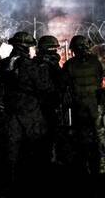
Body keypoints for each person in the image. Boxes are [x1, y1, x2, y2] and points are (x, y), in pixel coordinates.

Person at [0, 31, 54, 183]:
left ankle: (10, 178)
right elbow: (44, 87)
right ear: (26, 47)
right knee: (34, 145)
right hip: (29, 110)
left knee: (12, 145)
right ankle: (32, 178)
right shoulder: (29, 65)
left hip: (10, 108)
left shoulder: (4, 63)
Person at [62, 35, 105, 175]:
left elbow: (63, 82)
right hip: (95, 104)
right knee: (99, 135)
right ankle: (101, 165)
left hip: (79, 105)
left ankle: (84, 166)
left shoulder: (69, 64)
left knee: (81, 136)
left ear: (73, 49)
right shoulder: (97, 61)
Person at [33, 35, 65, 163]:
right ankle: (49, 158)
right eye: (54, 49)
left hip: (37, 105)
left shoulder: (34, 63)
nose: (56, 52)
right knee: (50, 133)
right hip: (47, 104)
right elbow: (61, 82)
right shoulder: (50, 64)